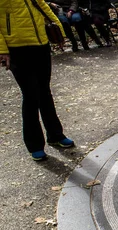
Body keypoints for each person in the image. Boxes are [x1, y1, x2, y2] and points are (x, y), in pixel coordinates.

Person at [1, 0, 75, 161]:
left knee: (45, 92)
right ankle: (34, 145)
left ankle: (55, 135)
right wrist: (2, 50)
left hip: (40, 44)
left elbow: (43, 8)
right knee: (30, 95)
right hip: (17, 49)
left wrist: (59, 30)